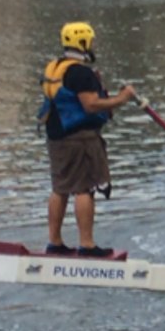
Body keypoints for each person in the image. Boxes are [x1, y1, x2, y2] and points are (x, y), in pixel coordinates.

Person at [38, 22, 137, 257]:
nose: (93, 45)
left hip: (56, 137)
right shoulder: (81, 73)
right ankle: (87, 245)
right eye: (91, 41)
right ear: (82, 42)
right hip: (79, 139)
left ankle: (54, 242)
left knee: (60, 188)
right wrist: (123, 98)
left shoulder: (54, 67)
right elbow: (90, 105)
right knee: (85, 189)